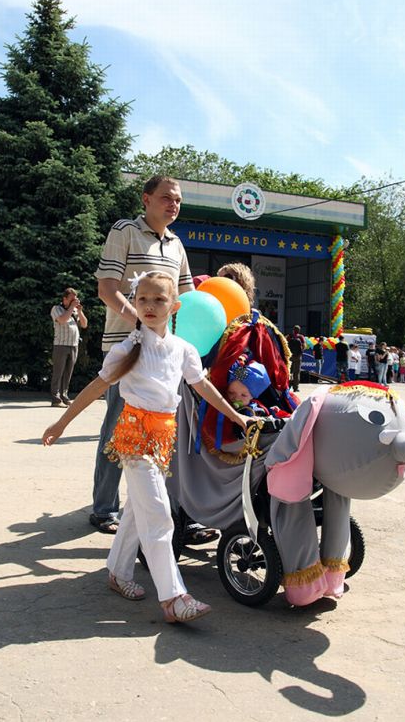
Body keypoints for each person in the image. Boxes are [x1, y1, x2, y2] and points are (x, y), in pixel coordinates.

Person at [43, 271, 251, 623]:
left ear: (175, 306)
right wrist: (62, 423)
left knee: (139, 510)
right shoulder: (128, 350)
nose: (150, 306)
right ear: (134, 304)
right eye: (142, 300)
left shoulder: (182, 349)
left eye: (158, 299)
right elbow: (96, 387)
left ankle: (118, 572)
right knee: (158, 514)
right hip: (134, 439)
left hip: (162, 440)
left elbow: (202, 387)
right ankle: (173, 597)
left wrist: (236, 416)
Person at [91, 175, 193, 534]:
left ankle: (169, 509)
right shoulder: (125, 232)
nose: (173, 205)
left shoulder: (177, 244)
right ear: (146, 199)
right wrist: (142, 324)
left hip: (163, 354)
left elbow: (188, 298)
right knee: (119, 428)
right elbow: (107, 289)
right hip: (127, 347)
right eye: (166, 198)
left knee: (163, 431)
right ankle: (104, 509)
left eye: (178, 200)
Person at [50, 287, 88, 407]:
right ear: (64, 299)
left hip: (73, 345)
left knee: (68, 373)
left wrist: (80, 311)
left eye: (75, 299)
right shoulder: (56, 309)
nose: (74, 301)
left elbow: (84, 324)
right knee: (58, 372)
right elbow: (62, 320)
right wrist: (72, 308)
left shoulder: (75, 311)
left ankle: (64, 396)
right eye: (71, 299)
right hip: (60, 345)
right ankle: (55, 399)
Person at [287, 325, 305, 392]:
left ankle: (287, 386)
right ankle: (295, 387)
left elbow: (285, 345)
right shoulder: (301, 337)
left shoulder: (289, 336)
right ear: (299, 330)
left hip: (290, 356)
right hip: (298, 357)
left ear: (293, 330)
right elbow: (304, 346)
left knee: (289, 372)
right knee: (296, 372)